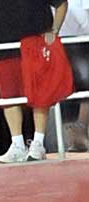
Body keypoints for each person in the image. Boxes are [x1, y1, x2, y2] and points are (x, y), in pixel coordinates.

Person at [0, 0, 69, 163]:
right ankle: (17, 145)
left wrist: (54, 30)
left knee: (40, 94)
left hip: (36, 45)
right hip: (6, 48)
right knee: (9, 97)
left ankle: (38, 143)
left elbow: (62, 4)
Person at [59, 0, 89, 152]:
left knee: (81, 86)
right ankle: (76, 133)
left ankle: (78, 131)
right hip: (71, 38)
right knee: (76, 87)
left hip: (75, 38)